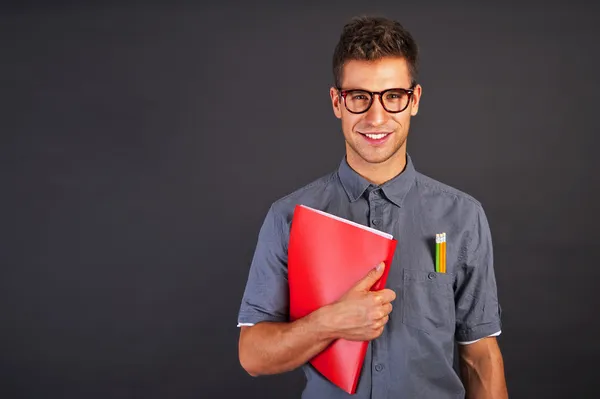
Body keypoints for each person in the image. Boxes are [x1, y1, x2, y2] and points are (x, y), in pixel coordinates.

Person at [236, 15, 508, 399]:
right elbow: (253, 356)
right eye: (359, 97)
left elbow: (480, 355)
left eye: (392, 96)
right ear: (337, 102)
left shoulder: (461, 218)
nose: (376, 117)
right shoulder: (288, 218)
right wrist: (328, 323)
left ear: (413, 100)